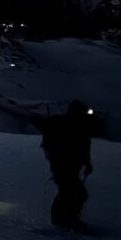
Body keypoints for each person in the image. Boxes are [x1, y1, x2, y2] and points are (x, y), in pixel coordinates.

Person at [41, 99, 93, 233]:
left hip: (67, 167)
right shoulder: (70, 127)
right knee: (76, 192)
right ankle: (68, 219)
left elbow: (84, 147)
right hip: (63, 167)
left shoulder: (78, 127)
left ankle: (62, 218)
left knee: (69, 192)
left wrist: (87, 163)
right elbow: (81, 147)